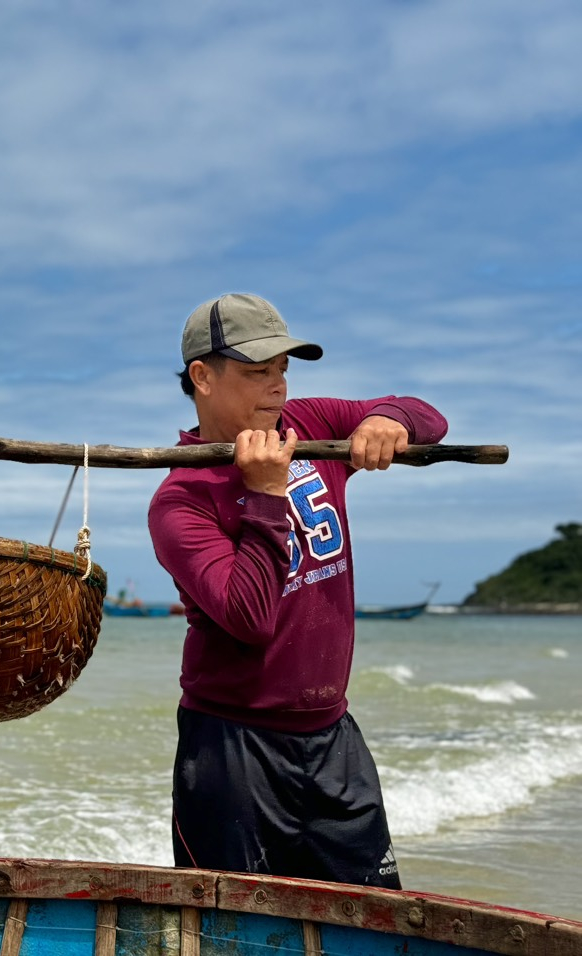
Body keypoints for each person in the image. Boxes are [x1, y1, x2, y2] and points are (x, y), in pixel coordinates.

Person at [148, 293, 448, 887]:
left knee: (373, 916)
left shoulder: (308, 426)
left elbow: (427, 416)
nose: (278, 387)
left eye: (284, 369)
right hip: (234, 750)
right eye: (259, 372)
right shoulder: (180, 500)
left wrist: (388, 420)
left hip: (333, 736)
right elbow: (250, 618)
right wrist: (264, 493)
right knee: (234, 932)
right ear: (203, 377)